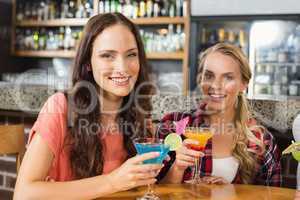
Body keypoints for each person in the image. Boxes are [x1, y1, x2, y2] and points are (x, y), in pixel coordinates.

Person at [14, 13, 161, 200]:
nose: (122, 68)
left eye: (131, 54)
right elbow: (23, 194)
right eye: (107, 56)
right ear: (88, 63)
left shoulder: (138, 114)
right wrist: (112, 182)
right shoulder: (61, 108)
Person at [156, 43, 282, 186]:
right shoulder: (173, 125)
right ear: (200, 79)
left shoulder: (261, 140)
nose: (215, 85)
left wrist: (232, 192)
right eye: (209, 75)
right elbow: (153, 192)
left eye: (228, 77)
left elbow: (272, 195)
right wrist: (177, 168)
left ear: (243, 84)